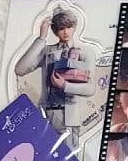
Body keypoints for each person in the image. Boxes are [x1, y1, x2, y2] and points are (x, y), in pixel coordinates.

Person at [13, 8, 97, 147]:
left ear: (75, 26)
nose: (66, 32)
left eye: (69, 27)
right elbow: (20, 69)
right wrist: (41, 38)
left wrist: (65, 85)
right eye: (61, 28)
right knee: (43, 154)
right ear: (55, 30)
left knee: (69, 156)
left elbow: (90, 88)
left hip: (69, 116)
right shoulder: (47, 51)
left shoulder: (86, 52)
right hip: (46, 113)